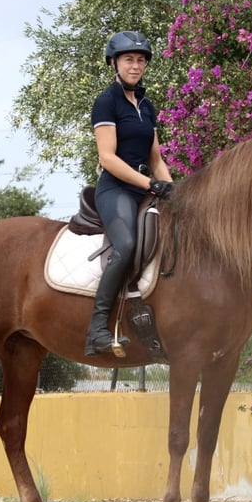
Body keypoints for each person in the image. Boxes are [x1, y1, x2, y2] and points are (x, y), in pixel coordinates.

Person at [85, 30, 174, 357]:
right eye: (128, 60)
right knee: (126, 245)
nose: (135, 66)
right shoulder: (106, 102)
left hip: (142, 189)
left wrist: (174, 190)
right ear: (114, 63)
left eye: (140, 60)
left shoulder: (147, 106)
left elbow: (156, 159)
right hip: (116, 189)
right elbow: (107, 157)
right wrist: (150, 184)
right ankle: (96, 330)